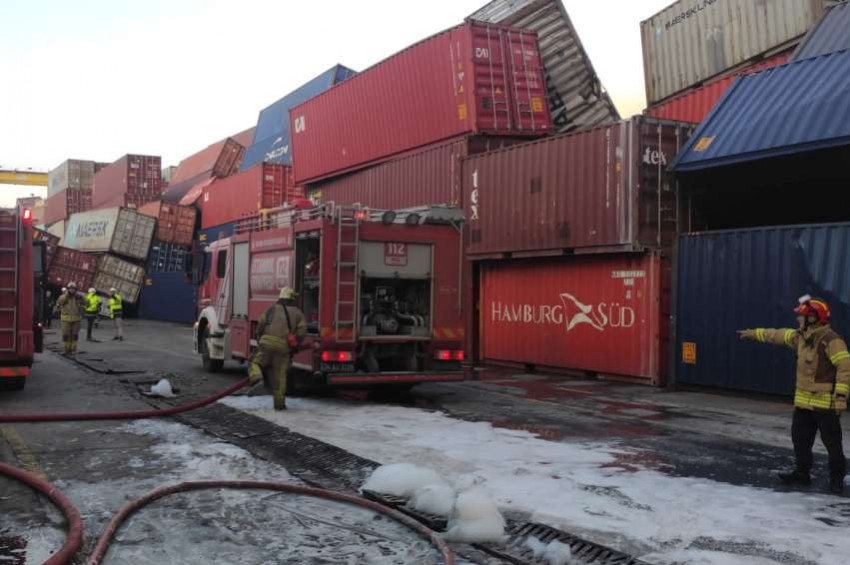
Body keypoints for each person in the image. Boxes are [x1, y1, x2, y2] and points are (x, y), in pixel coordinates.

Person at [739, 295, 850, 494]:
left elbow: (845, 369)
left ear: (814, 318)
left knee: (832, 445)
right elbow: (777, 334)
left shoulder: (832, 341)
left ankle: (836, 478)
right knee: (800, 440)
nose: (798, 319)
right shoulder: (800, 337)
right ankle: (802, 473)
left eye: (801, 316)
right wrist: (753, 333)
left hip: (825, 405)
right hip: (803, 404)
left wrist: (841, 398)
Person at [246, 287, 307, 410]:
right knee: (280, 378)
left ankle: (257, 378)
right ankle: (279, 405)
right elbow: (302, 332)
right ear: (291, 298)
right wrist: (296, 346)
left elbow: (260, 326)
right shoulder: (298, 313)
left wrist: (260, 340)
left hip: (266, 345)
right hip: (283, 348)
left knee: (253, 361)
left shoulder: (271, 309)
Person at [56, 282, 83, 356]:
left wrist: (82, 297)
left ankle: (73, 349)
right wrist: (67, 295)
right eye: (70, 289)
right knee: (66, 335)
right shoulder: (64, 296)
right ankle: (66, 349)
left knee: (74, 335)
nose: (72, 290)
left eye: (73, 289)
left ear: (75, 289)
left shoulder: (78, 297)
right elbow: (60, 301)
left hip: (76, 319)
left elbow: (86, 303)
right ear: (68, 289)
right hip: (66, 319)